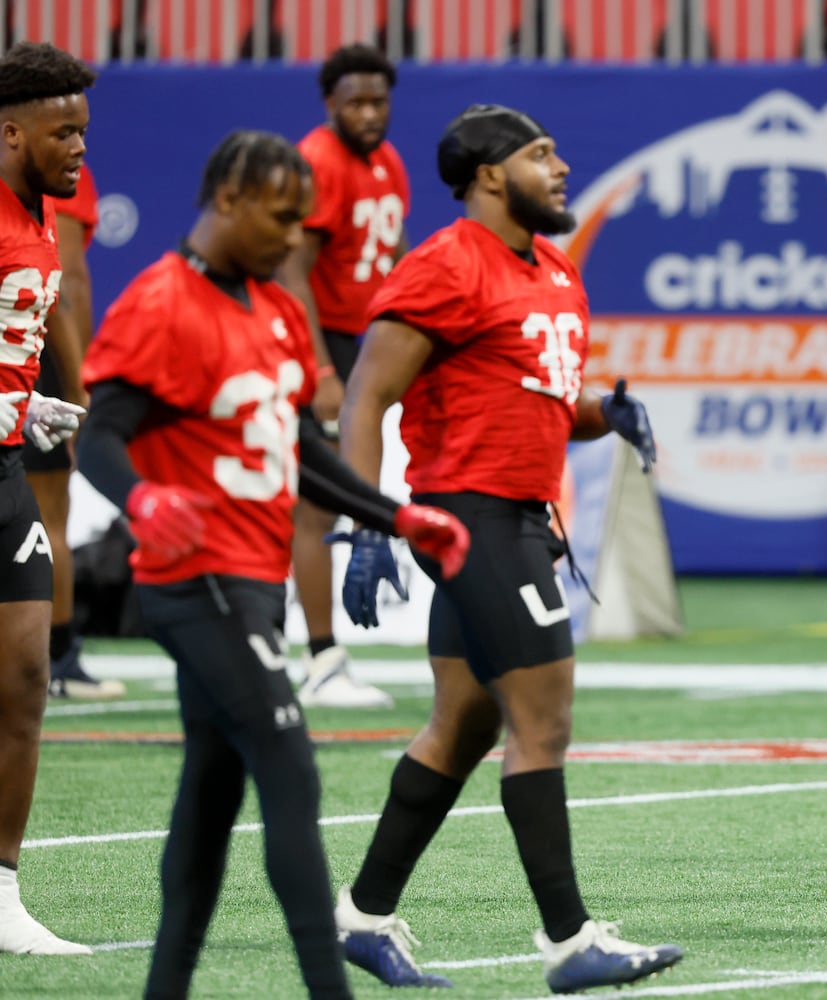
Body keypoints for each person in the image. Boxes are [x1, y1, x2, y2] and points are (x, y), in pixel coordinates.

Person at [74, 129, 469, 998]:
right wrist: (141, 499)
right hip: (194, 579)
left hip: (254, 580)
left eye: (303, 219)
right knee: (291, 768)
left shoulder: (278, 308)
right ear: (226, 199)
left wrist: (395, 514)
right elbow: (101, 435)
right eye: (281, 217)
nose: (296, 236)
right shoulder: (160, 301)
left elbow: (297, 440)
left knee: (210, 799)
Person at [330, 103, 682, 994]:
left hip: (516, 515)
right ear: (489, 174)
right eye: (540, 154)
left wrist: (606, 414)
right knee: (542, 723)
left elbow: (534, 402)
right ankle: (570, 943)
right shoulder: (445, 264)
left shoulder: (555, 269)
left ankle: (363, 917)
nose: (560, 167)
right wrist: (366, 521)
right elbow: (367, 396)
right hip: (473, 519)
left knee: (464, 725)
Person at [279, 43, 409, 709]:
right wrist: (321, 365)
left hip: (363, 338)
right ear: (330, 104)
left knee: (342, 489)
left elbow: (390, 253)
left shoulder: (388, 162)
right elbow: (292, 270)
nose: (368, 112)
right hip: (319, 339)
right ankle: (321, 656)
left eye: (378, 100)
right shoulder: (320, 161)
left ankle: (298, 645)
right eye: (355, 101)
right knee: (317, 498)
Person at [0, 41, 95, 957]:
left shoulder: (39, 219)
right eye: (63, 133)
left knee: (25, 677)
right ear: (11, 130)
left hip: (1, 474)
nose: (78, 151)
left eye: (84, 132)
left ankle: (1, 896)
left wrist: (23, 403)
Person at [31, 162, 124, 701]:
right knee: (46, 519)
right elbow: (66, 286)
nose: (77, 144)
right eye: (67, 129)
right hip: (29, 361)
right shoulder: (50, 175)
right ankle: (58, 654)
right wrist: (80, 384)